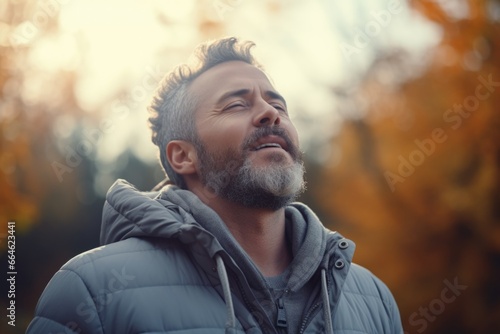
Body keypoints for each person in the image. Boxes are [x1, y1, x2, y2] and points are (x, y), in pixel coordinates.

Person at [27, 37, 403, 334]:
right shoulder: (92, 292)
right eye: (237, 105)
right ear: (183, 157)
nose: (270, 113)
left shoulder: (373, 299)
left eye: (278, 105)